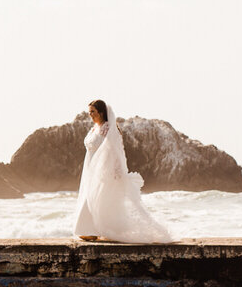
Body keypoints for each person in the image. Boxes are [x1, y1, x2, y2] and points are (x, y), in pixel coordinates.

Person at [73, 99, 173, 245]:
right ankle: (92, 230)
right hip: (91, 169)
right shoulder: (94, 128)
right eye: (89, 112)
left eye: (93, 112)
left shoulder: (108, 129)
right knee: (92, 197)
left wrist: (117, 172)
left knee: (96, 198)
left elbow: (116, 151)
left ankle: (92, 230)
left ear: (101, 113)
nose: (90, 115)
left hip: (103, 171)